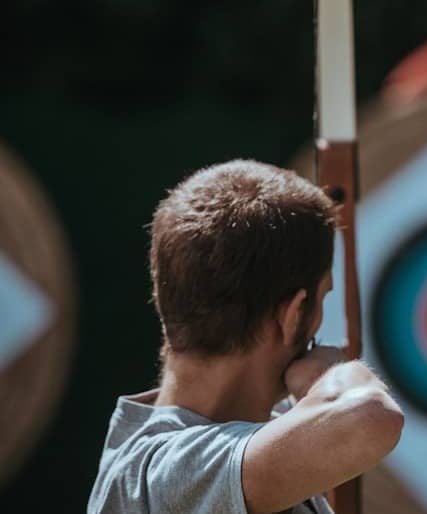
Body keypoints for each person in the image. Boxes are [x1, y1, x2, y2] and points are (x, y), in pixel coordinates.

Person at [88, 159, 404, 514]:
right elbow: (368, 417)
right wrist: (324, 375)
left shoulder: (264, 427)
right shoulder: (162, 475)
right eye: (322, 297)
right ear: (293, 313)